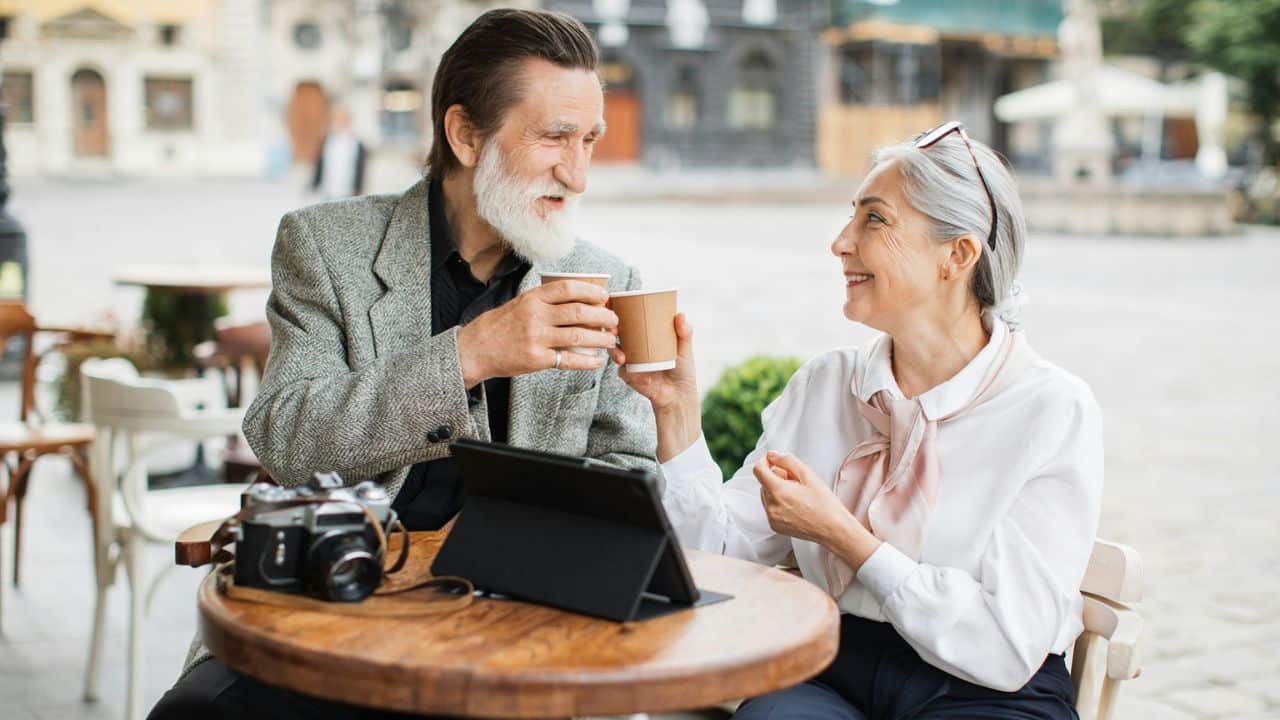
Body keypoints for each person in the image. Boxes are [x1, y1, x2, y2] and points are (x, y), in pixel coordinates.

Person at [149, 10, 654, 718]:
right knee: (198, 712)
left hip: (517, 621)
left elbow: (629, 471)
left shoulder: (602, 277)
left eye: (589, 141)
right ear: (465, 135)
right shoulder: (327, 247)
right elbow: (289, 437)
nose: (578, 173)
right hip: (343, 600)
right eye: (553, 137)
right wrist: (471, 354)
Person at [615, 123, 1103, 720]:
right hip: (833, 664)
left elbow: (1005, 649)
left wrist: (844, 537)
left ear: (958, 255)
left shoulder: (1050, 409)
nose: (841, 242)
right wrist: (676, 413)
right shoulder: (825, 386)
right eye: (852, 217)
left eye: (874, 220)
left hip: (990, 689)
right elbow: (712, 554)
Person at [310, 103, 368, 198]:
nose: (338, 122)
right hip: (327, 193)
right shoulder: (326, 141)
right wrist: (315, 185)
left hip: (348, 194)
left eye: (341, 119)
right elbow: (320, 165)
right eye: (335, 119)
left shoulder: (356, 144)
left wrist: (358, 189)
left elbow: (360, 170)